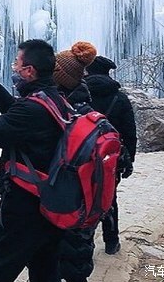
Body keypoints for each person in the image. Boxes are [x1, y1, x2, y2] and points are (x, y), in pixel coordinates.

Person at [0, 39, 69, 282]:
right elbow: (18, 113)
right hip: (51, 204)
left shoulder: (33, 110)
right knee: (45, 272)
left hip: (24, 209)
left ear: (29, 70)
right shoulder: (56, 99)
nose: (14, 69)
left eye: (17, 64)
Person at [51, 41, 99, 282]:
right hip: (85, 202)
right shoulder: (88, 109)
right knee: (77, 259)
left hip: (64, 201)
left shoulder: (62, 114)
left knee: (59, 259)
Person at [85, 55, 137, 255]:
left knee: (84, 196)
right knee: (108, 196)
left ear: (88, 71)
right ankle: (111, 241)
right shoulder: (119, 97)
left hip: (82, 154)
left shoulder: (79, 95)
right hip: (111, 158)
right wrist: (128, 160)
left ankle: (86, 242)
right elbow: (129, 132)